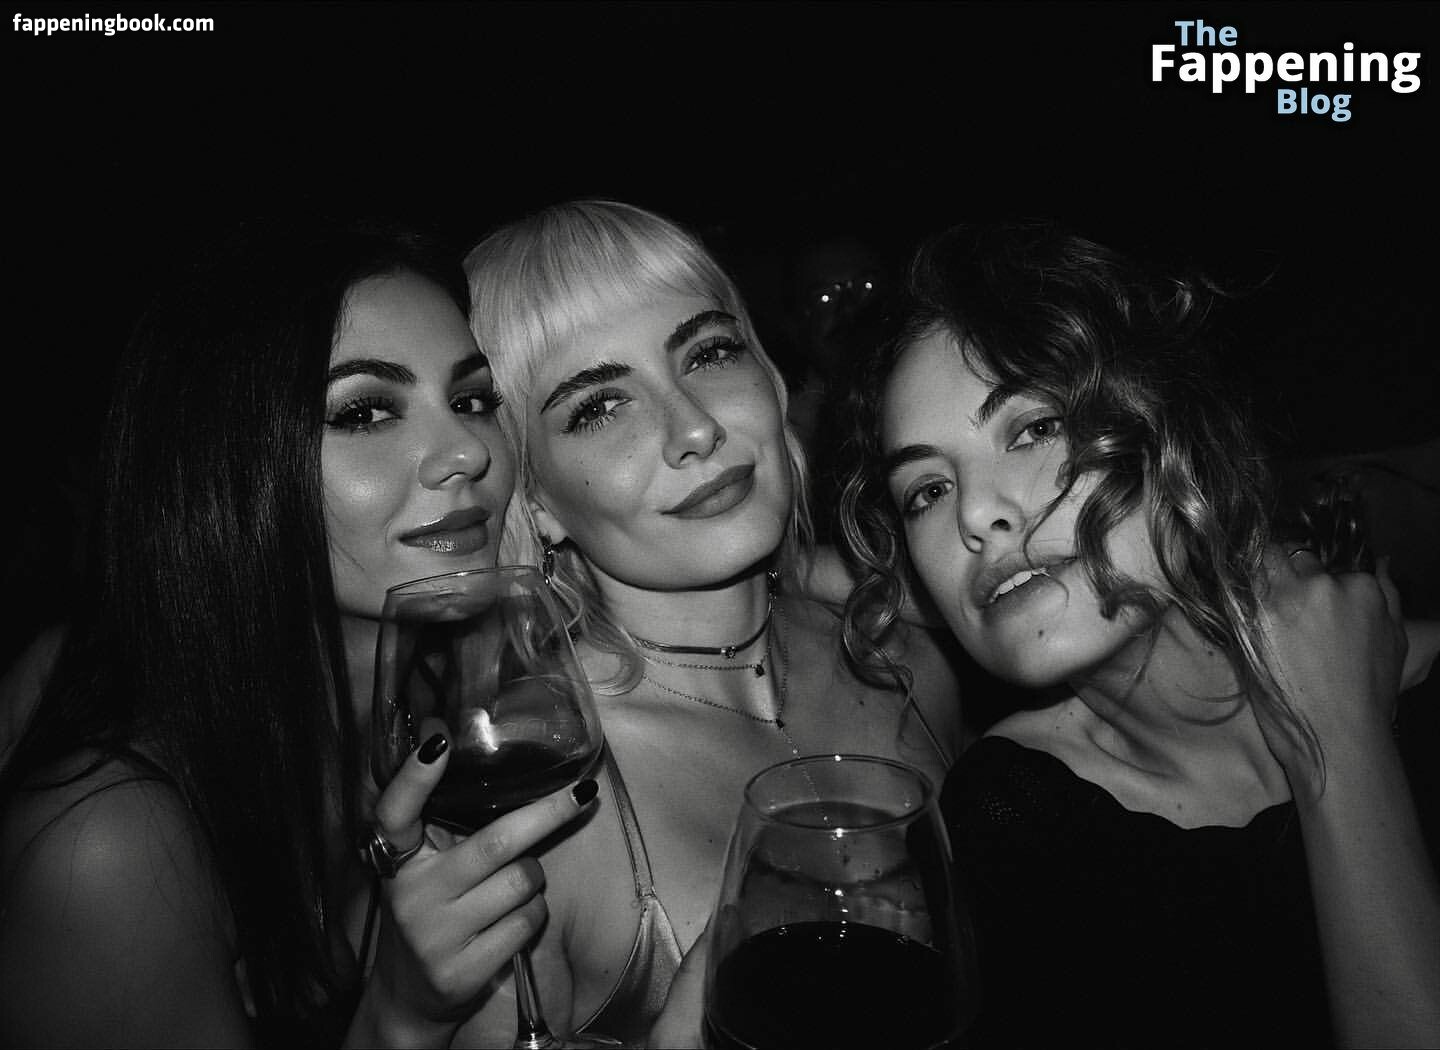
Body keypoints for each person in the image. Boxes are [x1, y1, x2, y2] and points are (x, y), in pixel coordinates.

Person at [838, 220, 1440, 1046]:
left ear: (1172, 427)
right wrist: (1338, 741)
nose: (976, 513)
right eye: (927, 491)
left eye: (1035, 428)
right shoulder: (1010, 821)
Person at [0, 220, 600, 1047]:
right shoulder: (103, 848)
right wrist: (400, 1018)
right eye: (365, 411)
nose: (466, 450)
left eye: (471, 401)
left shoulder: (447, 714)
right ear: (223, 464)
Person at [454, 199, 966, 1046]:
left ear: (771, 377)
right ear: (533, 499)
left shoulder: (909, 656)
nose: (695, 427)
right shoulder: (541, 805)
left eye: (710, 352)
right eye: (599, 407)